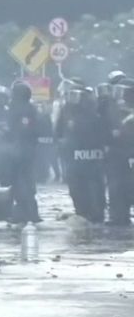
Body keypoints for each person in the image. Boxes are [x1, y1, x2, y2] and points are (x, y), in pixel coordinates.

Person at [59, 84, 107, 223]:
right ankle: (88, 212)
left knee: (90, 185)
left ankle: (91, 212)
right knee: (82, 185)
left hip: (87, 155)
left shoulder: (96, 112)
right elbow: (60, 131)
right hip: (78, 156)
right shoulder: (68, 111)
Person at [6, 81, 41, 224]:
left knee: (20, 182)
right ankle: (29, 213)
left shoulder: (19, 109)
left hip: (20, 150)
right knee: (27, 182)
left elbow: (20, 130)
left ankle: (25, 213)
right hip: (27, 150)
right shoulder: (30, 108)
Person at [106, 79, 134, 226]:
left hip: (128, 154)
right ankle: (118, 215)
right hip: (116, 155)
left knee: (127, 186)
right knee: (116, 187)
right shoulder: (115, 110)